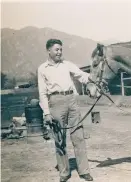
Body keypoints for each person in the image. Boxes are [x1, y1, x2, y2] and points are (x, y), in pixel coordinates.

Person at [37, 39, 93, 182]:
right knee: (59, 138)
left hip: (71, 100)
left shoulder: (67, 65)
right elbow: (42, 93)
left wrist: (94, 79)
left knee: (78, 137)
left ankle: (84, 171)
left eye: (61, 49)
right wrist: (47, 113)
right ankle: (64, 172)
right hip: (55, 102)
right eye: (56, 50)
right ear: (48, 51)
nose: (59, 52)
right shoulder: (42, 69)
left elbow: (82, 75)